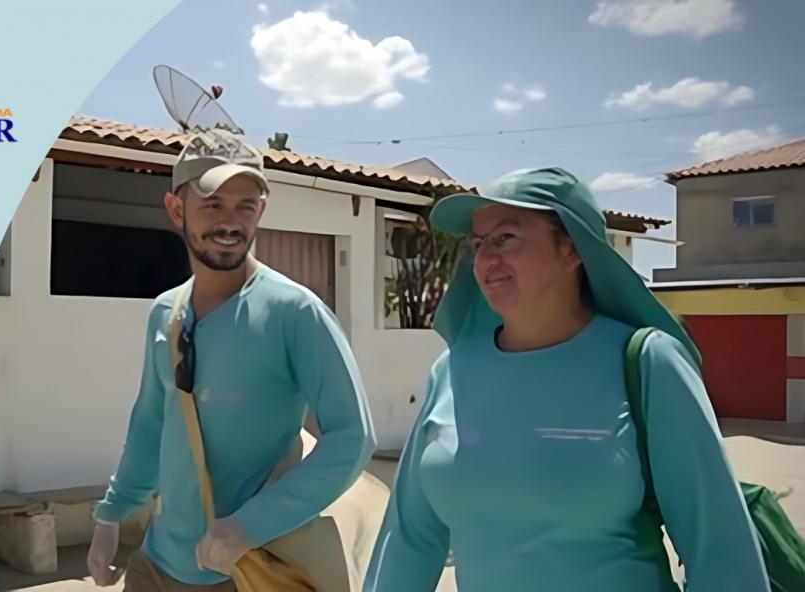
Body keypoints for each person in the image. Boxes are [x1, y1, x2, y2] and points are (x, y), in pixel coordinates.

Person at [364, 167, 769, 591]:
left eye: (506, 238)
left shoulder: (648, 363)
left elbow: (720, 550)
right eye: (478, 244)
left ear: (572, 248)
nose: (485, 260)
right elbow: (411, 538)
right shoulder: (450, 371)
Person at [87, 128, 376, 590]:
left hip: (243, 570)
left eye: (246, 205)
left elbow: (353, 437)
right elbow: (151, 421)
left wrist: (250, 525)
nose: (231, 222)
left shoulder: (294, 312)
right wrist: (112, 514)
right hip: (154, 565)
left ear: (261, 210)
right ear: (176, 209)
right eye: (213, 204)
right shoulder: (166, 311)